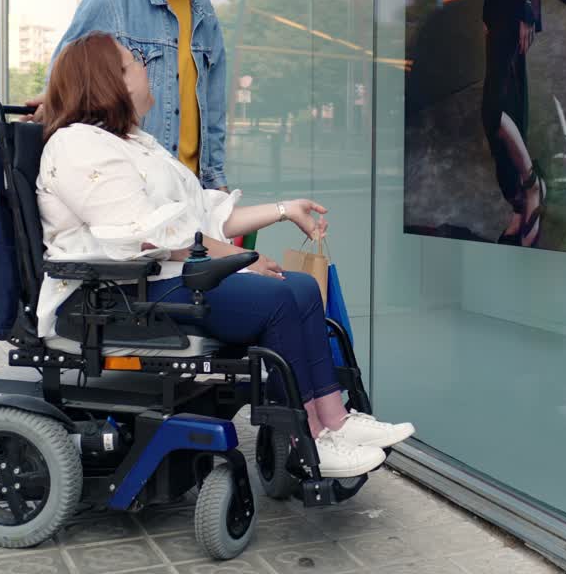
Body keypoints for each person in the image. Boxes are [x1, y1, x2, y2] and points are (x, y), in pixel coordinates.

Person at [36, 32, 414, 478]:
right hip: (117, 294)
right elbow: (146, 233)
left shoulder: (135, 143)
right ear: (109, 79)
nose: (145, 65)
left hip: (160, 281)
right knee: (276, 301)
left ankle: (334, 420)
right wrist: (244, 260)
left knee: (302, 287)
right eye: (133, 60)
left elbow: (202, 216)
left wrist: (283, 210)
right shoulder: (79, 144)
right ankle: (303, 440)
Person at [32, 0, 230, 192]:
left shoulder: (204, 11)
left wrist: (215, 181)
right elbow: (65, 72)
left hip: (193, 186)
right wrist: (53, 103)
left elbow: (214, 109)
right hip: (137, 181)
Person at [482, 0, 546, 246]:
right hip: (496, 11)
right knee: (508, 102)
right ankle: (517, 201)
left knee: (497, 108)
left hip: (512, 8)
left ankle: (531, 185)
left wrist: (526, 10)